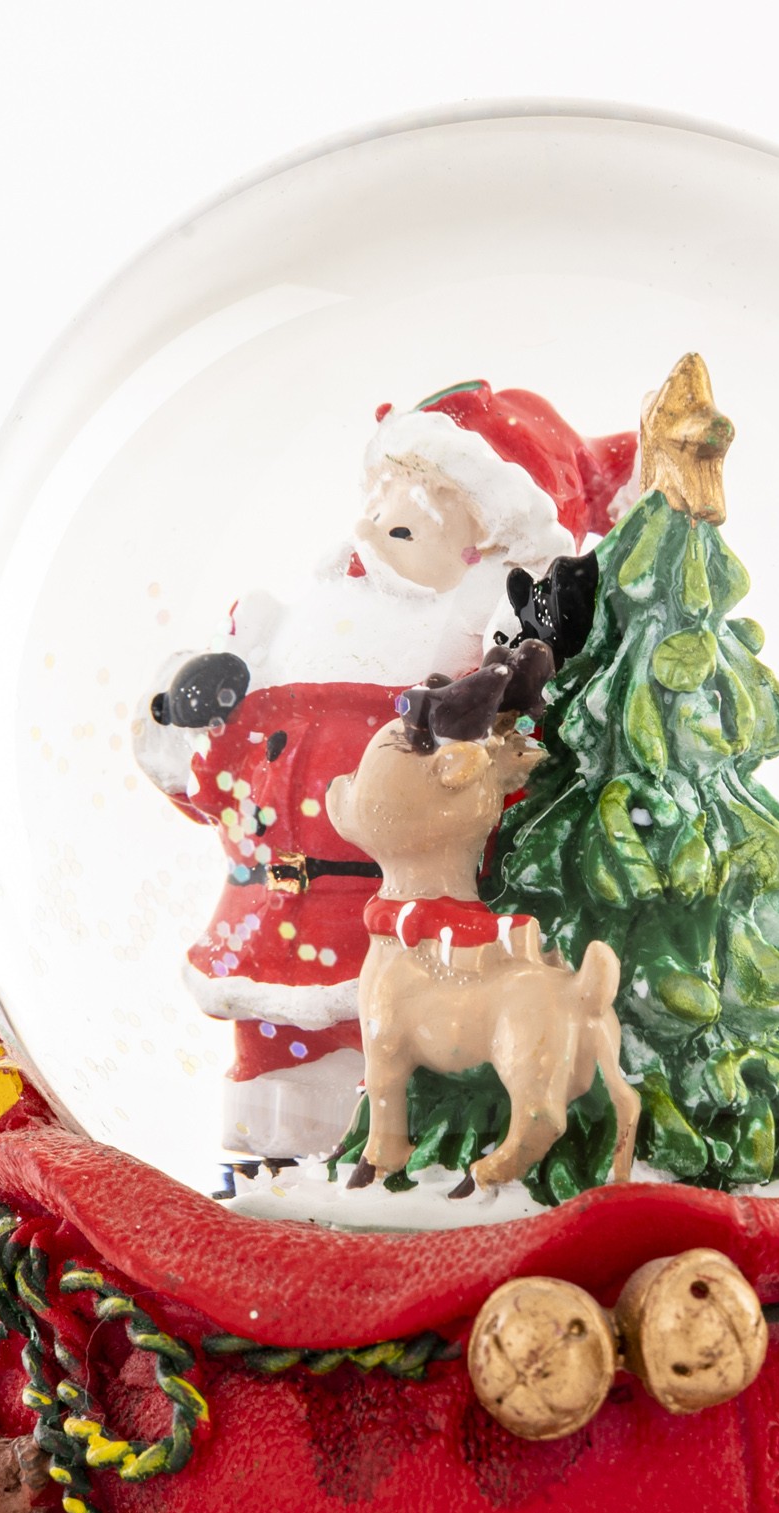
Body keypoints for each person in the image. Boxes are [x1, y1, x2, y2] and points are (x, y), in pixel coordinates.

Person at [134, 381, 636, 1160]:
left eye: (403, 526)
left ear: (484, 554)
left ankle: (385, 1154)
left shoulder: (466, 664)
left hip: (387, 918)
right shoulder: (273, 639)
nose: (367, 537)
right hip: (261, 910)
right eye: (372, 510)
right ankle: (271, 1166)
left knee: (381, 1045)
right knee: (270, 1058)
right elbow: (202, 778)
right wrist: (184, 712)